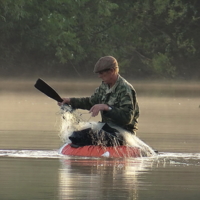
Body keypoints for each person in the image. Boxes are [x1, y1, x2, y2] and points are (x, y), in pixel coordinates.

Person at [58, 56, 139, 146]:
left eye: (101, 73)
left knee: (95, 137)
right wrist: (70, 101)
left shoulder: (125, 89)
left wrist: (107, 108)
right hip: (106, 128)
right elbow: (91, 102)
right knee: (76, 136)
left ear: (112, 71)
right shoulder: (104, 86)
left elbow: (127, 118)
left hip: (123, 133)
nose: (99, 76)